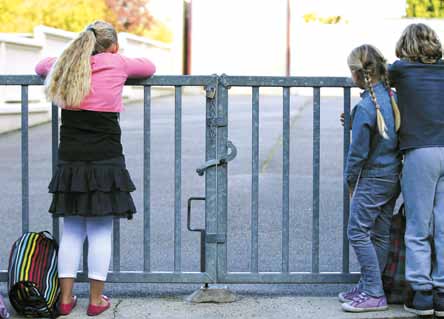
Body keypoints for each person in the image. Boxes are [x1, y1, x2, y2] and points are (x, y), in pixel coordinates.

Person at [35, 20, 156, 316]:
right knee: (101, 229)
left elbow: (41, 65)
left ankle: (65, 300)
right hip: (106, 157)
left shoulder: (67, 65)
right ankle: (96, 300)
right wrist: (115, 56)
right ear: (113, 47)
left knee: (73, 229)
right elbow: (149, 65)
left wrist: (72, 53)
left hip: (71, 158)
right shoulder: (117, 65)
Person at [339, 44, 402, 312]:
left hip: (374, 177)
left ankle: (374, 292)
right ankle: (369, 284)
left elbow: (358, 154)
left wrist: (350, 180)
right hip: (393, 175)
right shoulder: (392, 97)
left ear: (356, 74)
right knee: (379, 233)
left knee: (356, 231)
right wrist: (355, 118)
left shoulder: (366, 107)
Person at [389, 23, 444, 317]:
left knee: (418, 226)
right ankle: (443, 293)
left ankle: (421, 293)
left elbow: (369, 71)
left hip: (420, 151)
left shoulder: (400, 70)